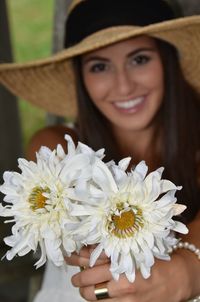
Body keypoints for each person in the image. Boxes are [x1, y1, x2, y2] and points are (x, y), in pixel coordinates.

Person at [0, 0, 200, 301]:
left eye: (140, 59)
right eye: (100, 66)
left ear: (167, 60)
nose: (123, 86)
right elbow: (48, 163)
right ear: (81, 78)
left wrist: (185, 271)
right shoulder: (59, 148)